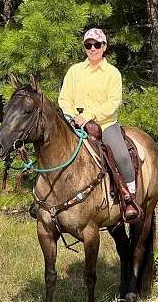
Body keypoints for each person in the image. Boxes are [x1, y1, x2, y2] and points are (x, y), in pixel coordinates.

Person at [58, 28, 139, 221]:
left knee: (120, 155)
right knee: (53, 150)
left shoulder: (113, 73)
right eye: (88, 45)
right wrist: (70, 116)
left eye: (96, 45)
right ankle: (45, 198)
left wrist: (89, 115)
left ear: (104, 47)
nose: (92, 49)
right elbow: (64, 98)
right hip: (75, 123)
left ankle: (130, 197)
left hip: (105, 124)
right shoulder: (74, 71)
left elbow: (113, 102)